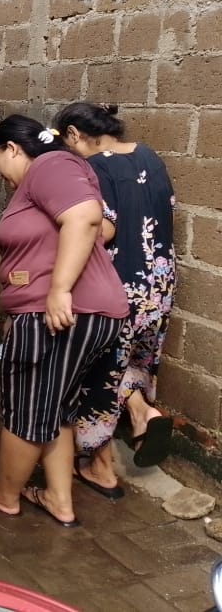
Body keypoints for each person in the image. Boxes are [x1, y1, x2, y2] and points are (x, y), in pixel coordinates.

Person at [0, 115, 128, 528]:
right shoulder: (55, 174)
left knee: (27, 410)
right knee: (57, 408)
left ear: (13, 149)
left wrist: (58, 289)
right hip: (74, 314)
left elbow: (86, 217)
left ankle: (4, 495)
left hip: (58, 315)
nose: (1, 175)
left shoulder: (49, 165)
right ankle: (59, 499)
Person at [54, 102, 176, 495]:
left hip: (117, 287)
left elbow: (103, 229)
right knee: (133, 361)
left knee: (98, 372)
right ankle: (142, 415)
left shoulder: (95, 167)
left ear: (74, 134)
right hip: (158, 284)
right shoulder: (149, 156)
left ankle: (98, 466)